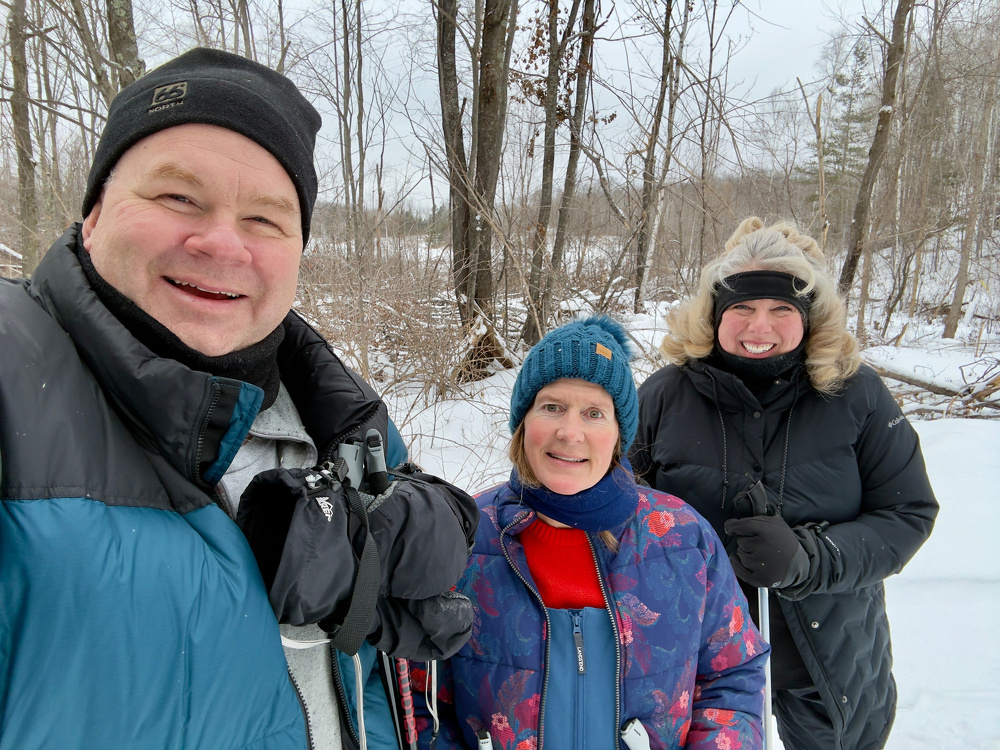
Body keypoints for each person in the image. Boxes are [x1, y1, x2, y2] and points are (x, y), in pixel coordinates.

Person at [0, 48, 477, 750]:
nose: (223, 243)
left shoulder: (339, 423)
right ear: (94, 215)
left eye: (266, 219)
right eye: (177, 197)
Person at [629, 217, 939, 750]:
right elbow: (617, 503)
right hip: (693, 647)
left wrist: (808, 559)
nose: (759, 327)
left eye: (782, 310)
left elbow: (907, 512)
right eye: (742, 309)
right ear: (714, 314)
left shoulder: (857, 395)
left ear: (811, 316)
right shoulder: (662, 395)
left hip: (830, 654)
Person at [409, 316, 768, 749]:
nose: (570, 432)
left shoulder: (683, 539)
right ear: (524, 421)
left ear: (618, 434)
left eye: (594, 413)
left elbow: (732, 674)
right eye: (552, 407)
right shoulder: (464, 537)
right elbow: (420, 696)